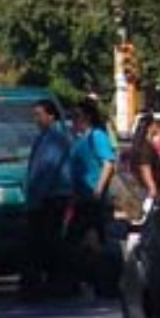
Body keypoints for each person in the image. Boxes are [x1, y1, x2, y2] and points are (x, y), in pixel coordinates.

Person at [66, 98, 118, 298]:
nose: (73, 120)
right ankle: (90, 280)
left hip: (93, 198)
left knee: (89, 240)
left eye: (77, 116)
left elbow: (108, 163)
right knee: (85, 241)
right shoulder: (80, 138)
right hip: (81, 197)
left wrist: (98, 189)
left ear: (87, 117)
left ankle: (100, 282)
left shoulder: (96, 136)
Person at [22, 100, 73, 297]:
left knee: (49, 241)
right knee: (42, 242)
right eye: (34, 115)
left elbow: (47, 170)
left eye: (39, 115)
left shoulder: (55, 138)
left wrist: (37, 198)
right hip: (43, 197)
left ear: (51, 116)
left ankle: (59, 281)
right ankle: (49, 280)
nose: (36, 119)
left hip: (52, 198)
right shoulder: (43, 137)